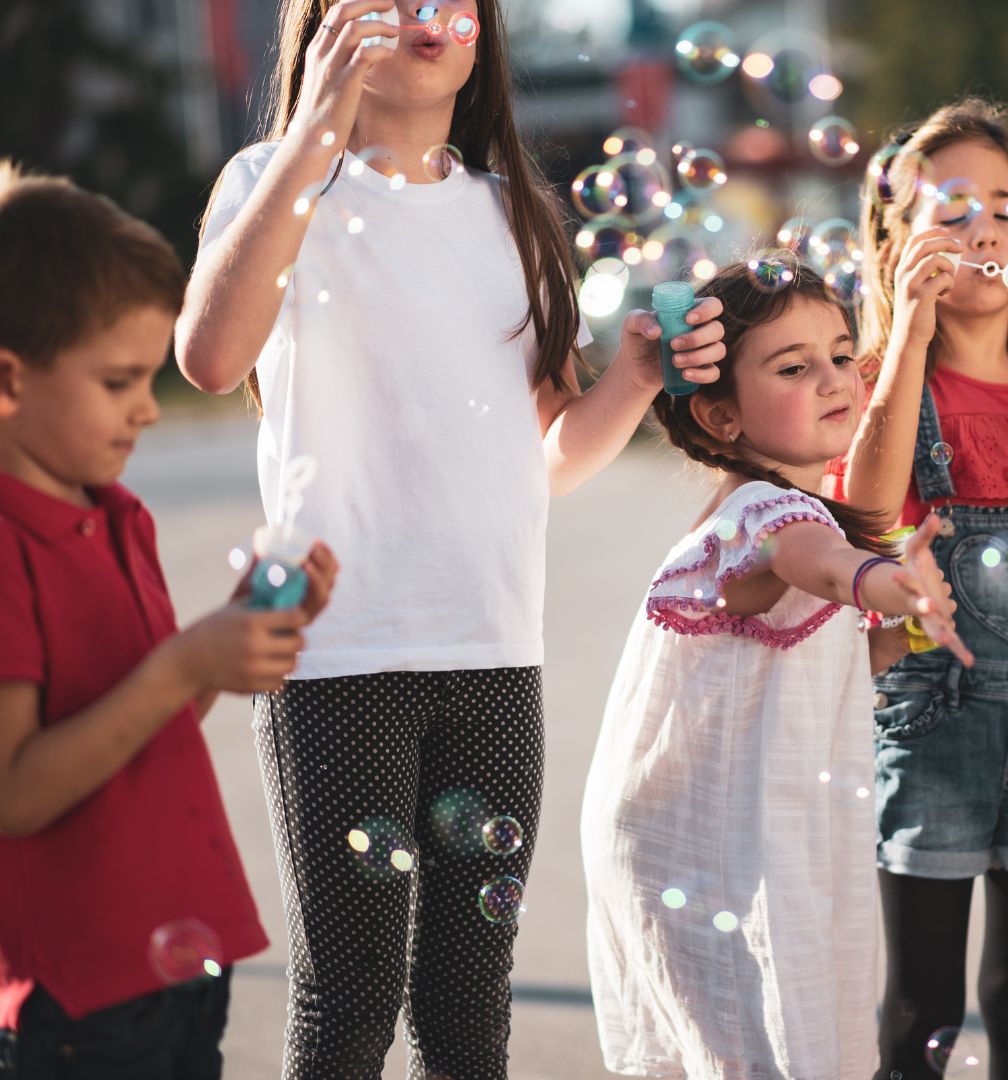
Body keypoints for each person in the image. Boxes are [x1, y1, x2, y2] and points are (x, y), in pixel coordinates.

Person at [175, 2, 727, 1076]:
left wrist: (633, 379)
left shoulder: (510, 210)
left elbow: (546, 457)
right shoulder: (270, 183)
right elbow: (207, 354)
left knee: (472, 1009)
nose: (431, 16)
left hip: (490, 653)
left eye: (453, 0)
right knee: (348, 1003)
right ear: (324, 30)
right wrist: (315, 128)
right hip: (335, 657)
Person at [580, 256, 973, 1080]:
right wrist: (886, 581)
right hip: (717, 848)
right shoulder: (773, 512)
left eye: (839, 354)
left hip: (717, 835)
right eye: (794, 368)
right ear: (722, 416)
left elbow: (802, 641)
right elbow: (819, 564)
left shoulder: (759, 502)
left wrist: (889, 641)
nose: (833, 379)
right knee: (769, 1044)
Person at [0, 164, 337, 1080]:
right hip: (82, 991)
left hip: (180, 958)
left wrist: (229, 643)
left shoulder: (118, 517)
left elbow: (146, 725)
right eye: (117, 382)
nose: (148, 408)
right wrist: (184, 667)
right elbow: (17, 791)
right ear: (8, 380)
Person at [838, 97, 1008, 1080]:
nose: (980, 224)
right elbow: (864, 510)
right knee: (919, 1009)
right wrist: (908, 334)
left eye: (1004, 205)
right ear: (895, 245)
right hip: (935, 721)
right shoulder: (881, 387)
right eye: (947, 208)